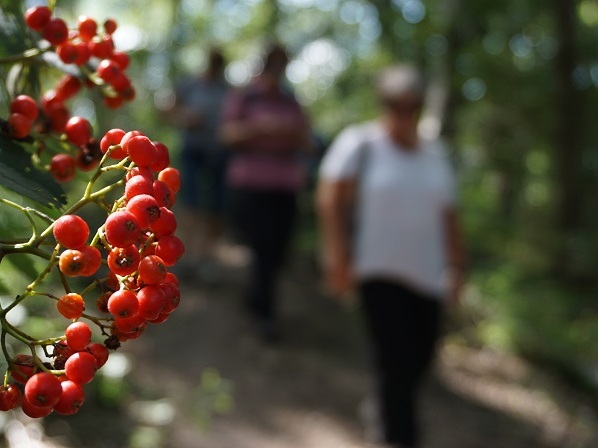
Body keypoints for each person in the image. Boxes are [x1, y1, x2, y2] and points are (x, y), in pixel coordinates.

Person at [316, 64, 466, 448]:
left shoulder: (435, 155)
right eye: (393, 103)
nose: (402, 112)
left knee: (420, 360)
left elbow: (450, 218)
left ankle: (384, 411)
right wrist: (338, 259)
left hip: (427, 277)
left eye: (410, 105)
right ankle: (399, 436)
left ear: (418, 106)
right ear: (383, 102)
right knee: (396, 363)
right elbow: (331, 200)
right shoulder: (360, 144)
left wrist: (456, 268)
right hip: (377, 272)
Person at [219, 43, 312, 342]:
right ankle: (265, 313)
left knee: (279, 249)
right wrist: (259, 129)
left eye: (282, 63)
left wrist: (290, 133)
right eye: (274, 62)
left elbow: (309, 140)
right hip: (251, 183)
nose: (278, 68)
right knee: (262, 245)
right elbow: (227, 134)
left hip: (285, 184)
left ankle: (258, 299)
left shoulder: (291, 101)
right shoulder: (246, 96)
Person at [170, 47, 230, 278]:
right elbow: (168, 108)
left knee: (216, 206)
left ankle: (207, 258)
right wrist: (185, 117)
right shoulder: (190, 84)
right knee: (190, 202)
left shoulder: (226, 90)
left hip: (219, 152)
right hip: (192, 150)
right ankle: (190, 256)